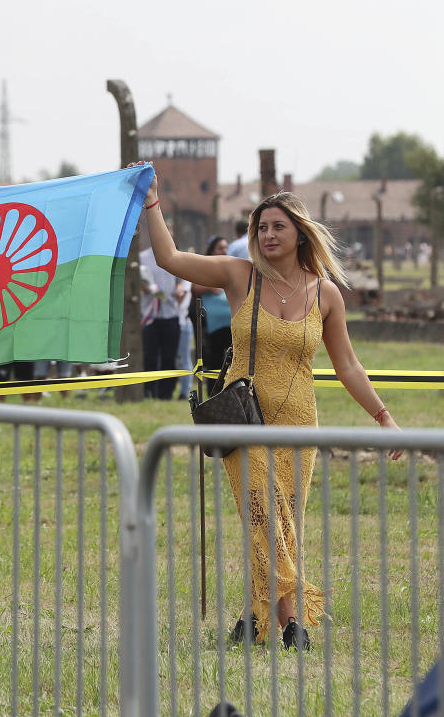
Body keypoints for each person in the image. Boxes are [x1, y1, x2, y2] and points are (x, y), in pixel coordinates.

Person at [135, 162, 403, 650]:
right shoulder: (239, 275)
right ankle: (292, 617)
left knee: (285, 524)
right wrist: (152, 200)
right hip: (245, 418)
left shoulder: (326, 294)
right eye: (262, 227)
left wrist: (384, 417)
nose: (268, 234)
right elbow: (170, 258)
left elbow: (348, 365)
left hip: (301, 423)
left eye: (279, 226)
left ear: (301, 234)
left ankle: (254, 618)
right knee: (263, 515)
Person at [140, 237, 191, 400]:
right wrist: (145, 288)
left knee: (169, 357)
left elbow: (181, 281)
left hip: (171, 314)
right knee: (150, 357)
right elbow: (138, 279)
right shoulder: (143, 257)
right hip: (150, 315)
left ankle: (166, 394)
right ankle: (149, 392)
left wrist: (179, 289)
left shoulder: (176, 256)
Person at [191, 237, 233, 396]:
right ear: (212, 250)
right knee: (215, 362)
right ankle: (213, 395)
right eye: (220, 248)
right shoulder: (205, 266)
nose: (224, 251)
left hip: (231, 323)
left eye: (225, 248)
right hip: (213, 325)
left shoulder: (230, 265)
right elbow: (195, 287)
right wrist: (213, 284)